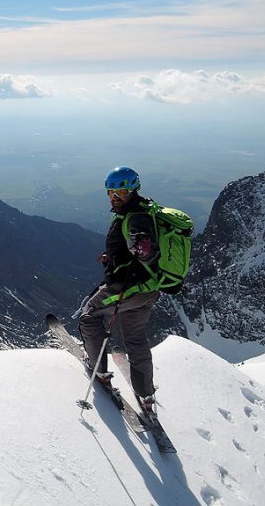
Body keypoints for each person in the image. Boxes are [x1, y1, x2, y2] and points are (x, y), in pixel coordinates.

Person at [78, 166, 161, 417]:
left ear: (134, 189)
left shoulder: (136, 218)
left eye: (121, 192)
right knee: (135, 339)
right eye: (111, 192)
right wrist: (113, 258)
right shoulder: (142, 210)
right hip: (149, 289)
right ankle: (146, 396)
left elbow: (146, 245)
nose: (115, 197)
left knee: (89, 316)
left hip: (128, 289)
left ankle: (99, 370)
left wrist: (142, 248)